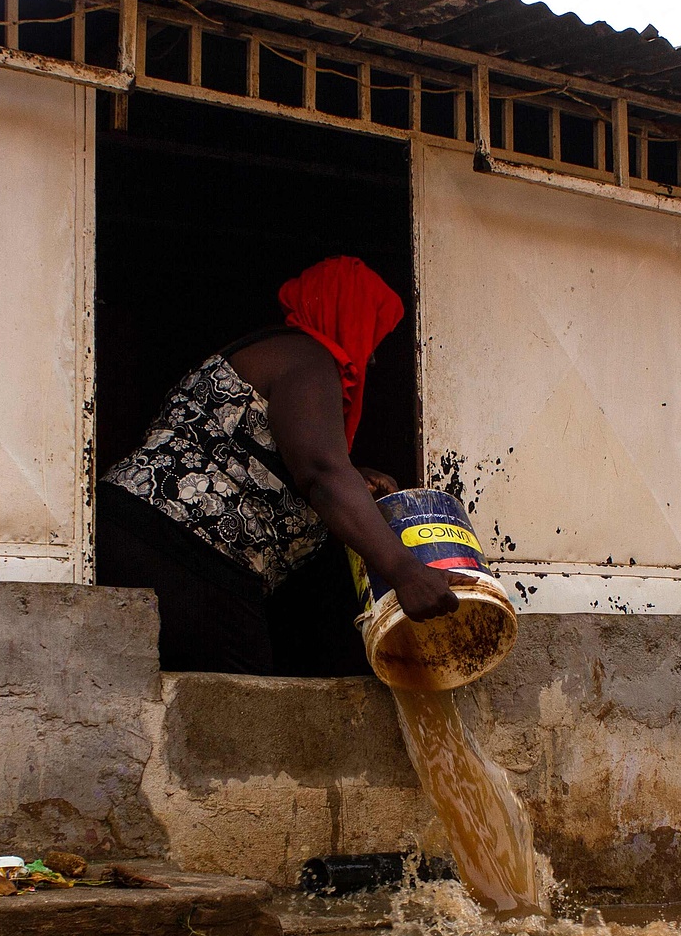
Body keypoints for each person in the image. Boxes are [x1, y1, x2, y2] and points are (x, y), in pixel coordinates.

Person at [98, 256, 473, 674]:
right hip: (185, 557)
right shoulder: (309, 359)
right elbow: (321, 473)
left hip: (135, 535)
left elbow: (263, 452)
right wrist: (406, 572)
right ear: (349, 317)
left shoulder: (275, 352)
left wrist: (354, 472)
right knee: (238, 717)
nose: (370, 360)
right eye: (372, 338)